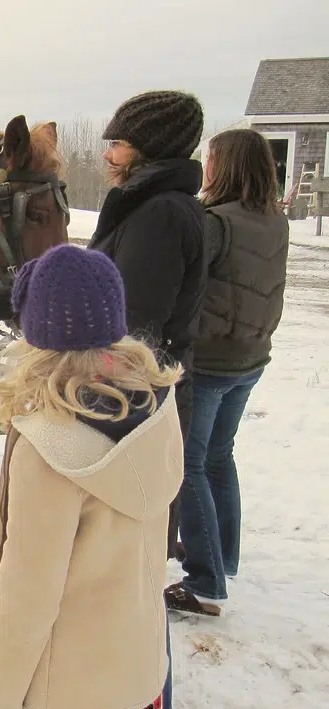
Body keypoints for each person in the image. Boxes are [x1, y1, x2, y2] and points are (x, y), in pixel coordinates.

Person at [0, 245, 183, 709]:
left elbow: (27, 596)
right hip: (136, 686)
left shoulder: (49, 444)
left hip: (62, 707)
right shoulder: (155, 408)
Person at [88, 89, 206, 709]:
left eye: (119, 142)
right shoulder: (151, 208)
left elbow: (130, 325)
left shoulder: (160, 215)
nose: (109, 154)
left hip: (136, 407)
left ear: (148, 148)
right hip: (136, 400)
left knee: (133, 564)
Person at [165, 129, 289, 617]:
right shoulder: (274, 220)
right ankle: (222, 557)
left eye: (211, 158)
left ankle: (204, 582)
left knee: (190, 464)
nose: (206, 166)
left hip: (213, 361)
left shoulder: (216, 223)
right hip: (251, 357)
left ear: (228, 165)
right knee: (219, 457)